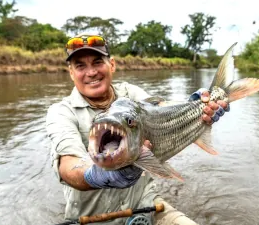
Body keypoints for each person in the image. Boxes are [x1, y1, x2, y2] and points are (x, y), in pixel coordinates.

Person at [46, 34, 229, 225]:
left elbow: (163, 110)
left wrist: (197, 105)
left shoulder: (131, 94)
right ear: (71, 72)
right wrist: (97, 175)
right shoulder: (60, 112)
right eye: (80, 65)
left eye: (97, 62)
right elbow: (67, 166)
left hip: (146, 205)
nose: (91, 72)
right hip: (92, 219)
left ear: (112, 65)